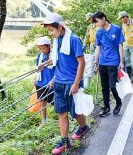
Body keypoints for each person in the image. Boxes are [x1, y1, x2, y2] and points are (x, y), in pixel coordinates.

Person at [39, 13, 89, 155]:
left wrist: (76, 83)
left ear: (60, 27)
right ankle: (65, 141)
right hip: (59, 83)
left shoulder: (73, 40)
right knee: (62, 114)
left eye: (52, 30)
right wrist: (44, 63)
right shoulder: (56, 41)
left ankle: (84, 127)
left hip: (71, 83)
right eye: (49, 31)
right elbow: (56, 60)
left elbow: (81, 62)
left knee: (76, 113)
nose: (51, 34)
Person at [93, 11, 125, 117]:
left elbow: (120, 45)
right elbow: (98, 48)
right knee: (104, 86)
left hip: (113, 61)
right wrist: (96, 63)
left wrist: (121, 61)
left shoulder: (116, 29)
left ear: (103, 19)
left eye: (96, 21)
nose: (96, 24)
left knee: (112, 86)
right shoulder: (99, 33)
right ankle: (106, 107)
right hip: (102, 62)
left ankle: (118, 102)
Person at [34, 37, 55, 129]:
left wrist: (54, 80)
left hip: (51, 83)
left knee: (56, 102)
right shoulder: (40, 56)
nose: (41, 50)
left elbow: (58, 68)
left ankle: (61, 118)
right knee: (42, 102)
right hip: (41, 82)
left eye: (43, 48)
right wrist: (35, 79)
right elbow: (38, 68)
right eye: (40, 48)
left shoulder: (54, 55)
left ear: (49, 46)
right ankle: (44, 121)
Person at [117, 11, 133, 83]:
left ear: (125, 17)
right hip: (126, 45)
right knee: (127, 61)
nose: (121, 20)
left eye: (121, 19)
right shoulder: (123, 25)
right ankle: (129, 76)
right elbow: (124, 34)